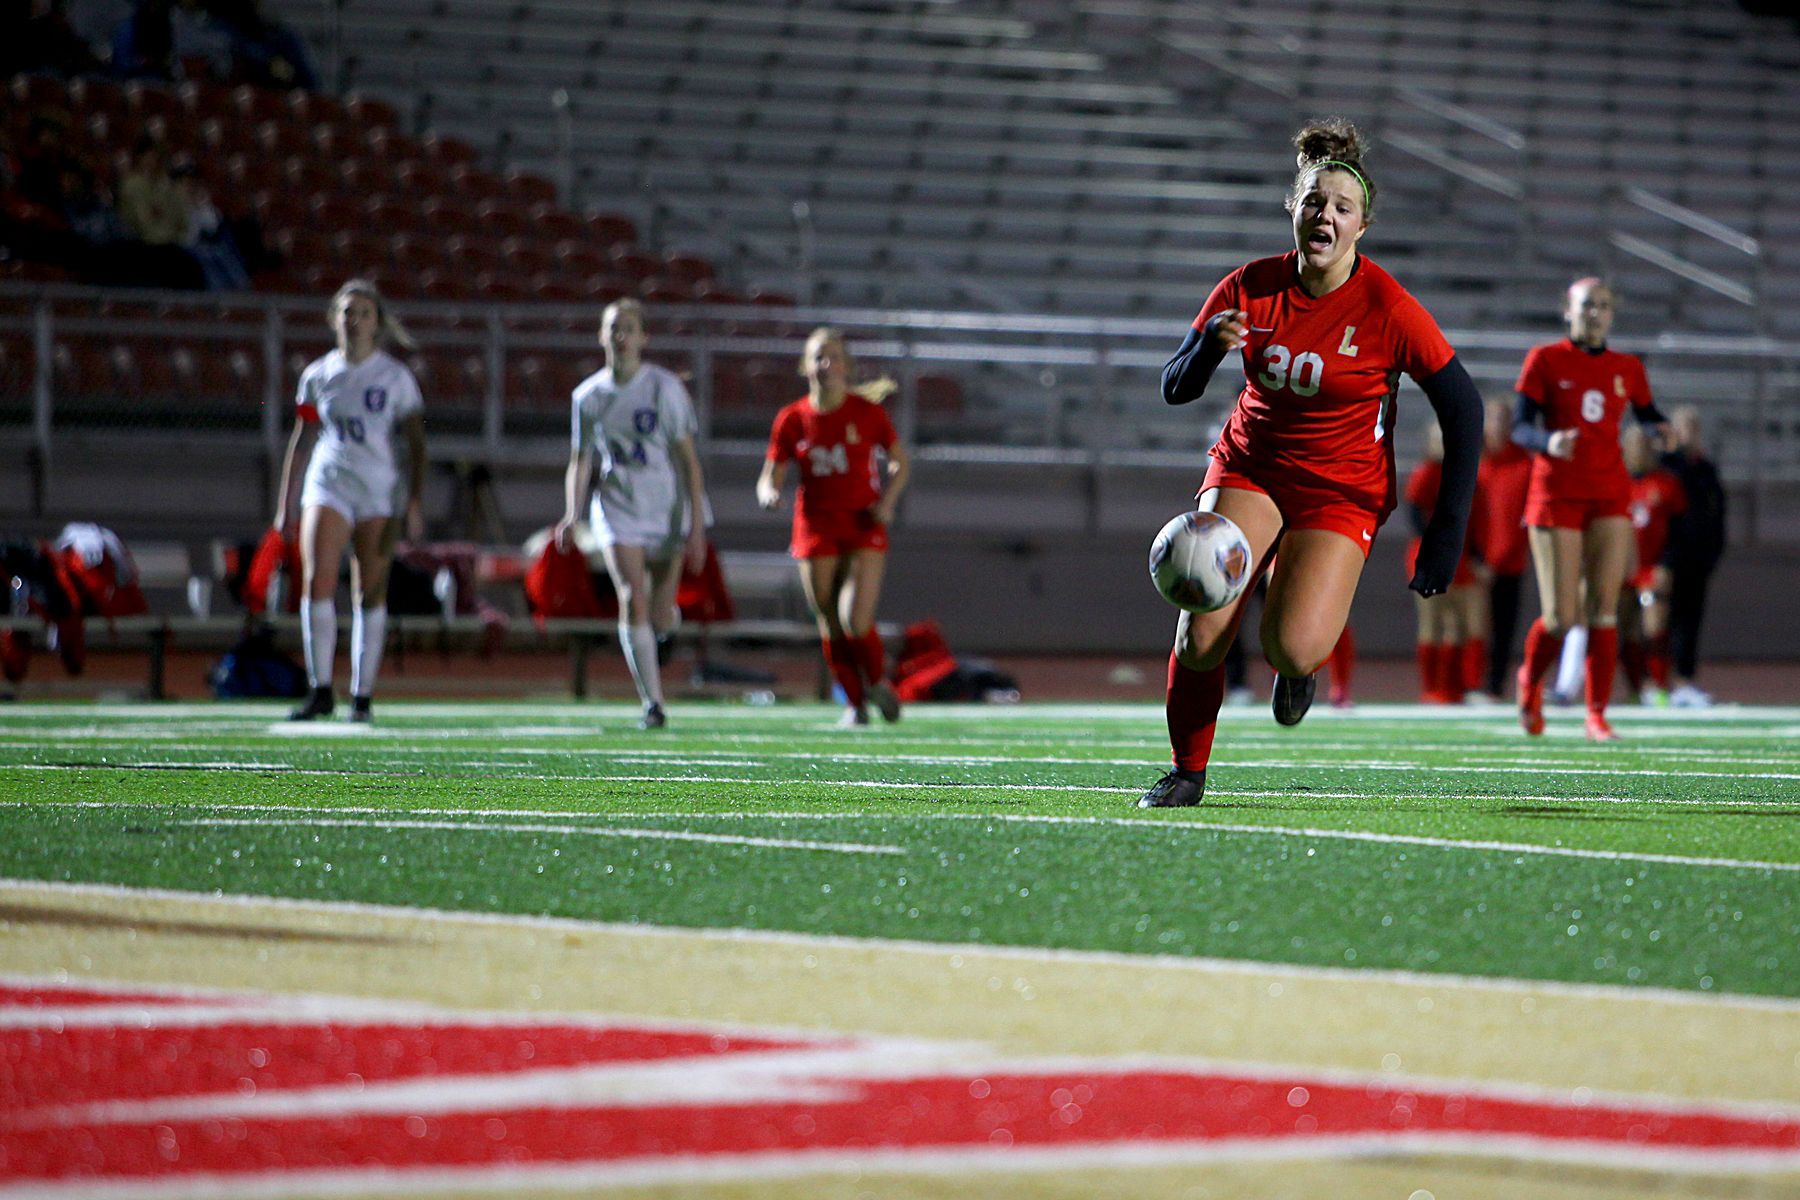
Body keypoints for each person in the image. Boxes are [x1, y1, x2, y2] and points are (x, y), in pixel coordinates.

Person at [1142, 118, 1483, 807]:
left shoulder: (1388, 305)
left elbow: (1465, 410)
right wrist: (1210, 346)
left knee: (1292, 648)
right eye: (1313, 203)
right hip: (1250, 467)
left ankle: (1299, 668)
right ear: (1293, 213)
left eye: (1341, 208)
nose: (1325, 215)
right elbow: (1176, 387)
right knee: (1202, 623)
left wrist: (1446, 535)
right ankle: (1187, 771)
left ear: (1362, 226)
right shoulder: (1249, 285)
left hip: (1342, 489)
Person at [1511, 278, 1669, 741]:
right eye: (1586, 305)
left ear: (1612, 314)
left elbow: (1647, 414)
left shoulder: (1628, 367)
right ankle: (1529, 682)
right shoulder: (1545, 359)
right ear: (1568, 311)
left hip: (1609, 493)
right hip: (1556, 492)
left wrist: (1663, 430)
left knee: (1604, 608)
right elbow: (1521, 427)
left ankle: (1596, 714)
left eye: (1602, 306)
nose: (1594, 313)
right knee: (1561, 616)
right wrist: (1548, 441)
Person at [553, 299, 711, 730]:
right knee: (630, 596)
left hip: (665, 505)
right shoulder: (588, 396)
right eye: (613, 328)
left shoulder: (663, 389)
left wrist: (696, 525)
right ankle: (652, 703)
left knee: (661, 611)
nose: (621, 336)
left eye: (629, 328)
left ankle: (666, 630)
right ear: (601, 336)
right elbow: (580, 459)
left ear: (644, 337)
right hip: (617, 508)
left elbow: (687, 461)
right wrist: (572, 512)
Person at [275, 279, 425, 723]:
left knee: (369, 590)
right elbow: (301, 440)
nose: (354, 321)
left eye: (363, 313)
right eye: (347, 312)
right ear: (333, 319)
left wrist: (414, 500)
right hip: (329, 483)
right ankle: (320, 688)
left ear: (377, 322)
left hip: (378, 489)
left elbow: (417, 443)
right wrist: (285, 504)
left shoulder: (395, 377)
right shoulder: (318, 375)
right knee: (316, 580)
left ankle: (362, 695)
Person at [756, 327, 910, 726]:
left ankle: (876, 683)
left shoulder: (868, 414)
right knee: (828, 620)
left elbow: (899, 462)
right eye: (818, 357)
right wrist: (769, 493)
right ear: (805, 366)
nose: (826, 364)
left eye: (833, 357)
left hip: (862, 525)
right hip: (815, 527)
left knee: (854, 618)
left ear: (846, 366)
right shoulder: (792, 419)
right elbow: (770, 473)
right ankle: (855, 705)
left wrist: (888, 502)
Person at [1404, 426, 1483, 703]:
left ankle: (1454, 687)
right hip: (1430, 556)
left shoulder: (1464, 473)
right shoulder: (1426, 473)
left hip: (1456, 557)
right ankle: (1431, 688)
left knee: (1457, 623)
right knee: (1432, 622)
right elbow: (1414, 515)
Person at [1659, 405, 1726, 706]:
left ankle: (1684, 680)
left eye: (1693, 426)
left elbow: (1717, 515)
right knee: (1658, 622)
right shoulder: (1666, 466)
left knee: (1690, 620)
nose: (1688, 432)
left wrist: (1713, 553)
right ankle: (1654, 681)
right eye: (1683, 426)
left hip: (1697, 558)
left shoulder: (1706, 469)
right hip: (1666, 558)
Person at [1619, 424, 1685, 703]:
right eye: (1634, 445)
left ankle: (1659, 687)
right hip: (1621, 568)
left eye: (1645, 445)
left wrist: (1665, 564)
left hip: (1651, 568)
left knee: (1654, 625)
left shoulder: (1666, 483)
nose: (1639, 450)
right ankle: (1635, 688)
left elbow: (1680, 530)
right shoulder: (1615, 482)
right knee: (1625, 629)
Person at [1475, 395, 1532, 697]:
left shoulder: (1524, 463)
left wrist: (1501, 559)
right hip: (1473, 561)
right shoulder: (1474, 460)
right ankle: (1460, 685)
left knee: (1503, 629)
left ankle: (1493, 687)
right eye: (1494, 419)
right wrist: (1476, 558)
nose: (1498, 426)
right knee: (1467, 627)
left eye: (1504, 420)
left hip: (1509, 562)